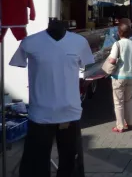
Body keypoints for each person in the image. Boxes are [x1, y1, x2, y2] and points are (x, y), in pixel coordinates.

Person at [10, 19, 95, 177]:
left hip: (70, 112)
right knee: (35, 164)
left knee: (71, 162)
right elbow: (19, 62)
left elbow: (86, 63)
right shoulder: (30, 43)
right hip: (40, 113)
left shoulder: (79, 42)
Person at [108, 22, 132, 133]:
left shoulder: (117, 44)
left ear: (119, 33)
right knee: (128, 100)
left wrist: (108, 61)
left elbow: (112, 60)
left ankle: (120, 126)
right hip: (131, 76)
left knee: (118, 102)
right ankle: (130, 123)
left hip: (119, 76)